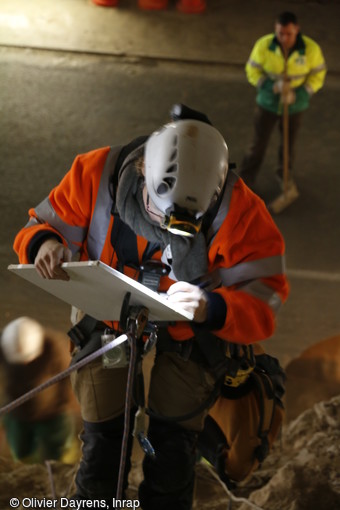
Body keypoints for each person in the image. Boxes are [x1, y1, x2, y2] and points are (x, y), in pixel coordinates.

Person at [13, 104, 289, 509]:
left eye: (186, 220)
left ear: (216, 189)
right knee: (104, 436)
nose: (166, 227)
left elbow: (265, 297)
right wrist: (46, 244)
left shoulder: (242, 212)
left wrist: (212, 306)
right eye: (159, 210)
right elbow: (38, 226)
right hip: (105, 315)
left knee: (172, 443)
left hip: (191, 329)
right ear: (142, 168)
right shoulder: (96, 174)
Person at [239, 11, 326, 197]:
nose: (284, 38)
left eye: (289, 34)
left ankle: (284, 176)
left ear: (297, 30)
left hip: (295, 107)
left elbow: (318, 75)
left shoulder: (311, 50)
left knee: (288, 145)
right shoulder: (264, 45)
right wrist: (271, 86)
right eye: (280, 33)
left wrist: (300, 94)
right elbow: (252, 70)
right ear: (275, 30)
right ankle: (245, 179)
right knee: (257, 144)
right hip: (268, 104)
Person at [0, 317, 79, 464]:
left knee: (59, 452)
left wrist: (68, 405)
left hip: (53, 412)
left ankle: (61, 471)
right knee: (21, 451)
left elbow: (69, 380)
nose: (24, 364)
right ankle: (28, 470)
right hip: (17, 410)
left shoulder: (55, 348)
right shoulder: (6, 343)